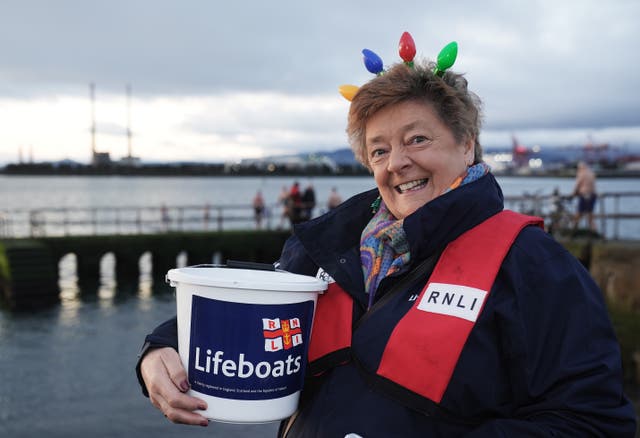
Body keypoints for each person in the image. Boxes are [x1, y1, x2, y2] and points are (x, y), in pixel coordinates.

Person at [135, 34, 636, 436]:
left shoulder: (532, 265)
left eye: (417, 139)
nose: (397, 163)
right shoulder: (329, 248)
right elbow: (252, 300)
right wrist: (159, 349)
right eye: (379, 150)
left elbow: (592, 421)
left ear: (467, 145)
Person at [573, 160, 597, 231]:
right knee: (590, 214)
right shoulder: (591, 173)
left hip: (584, 195)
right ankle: (593, 231)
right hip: (592, 195)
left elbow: (577, 185)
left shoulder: (581, 173)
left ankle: (574, 230)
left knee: (579, 213)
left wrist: (573, 193)